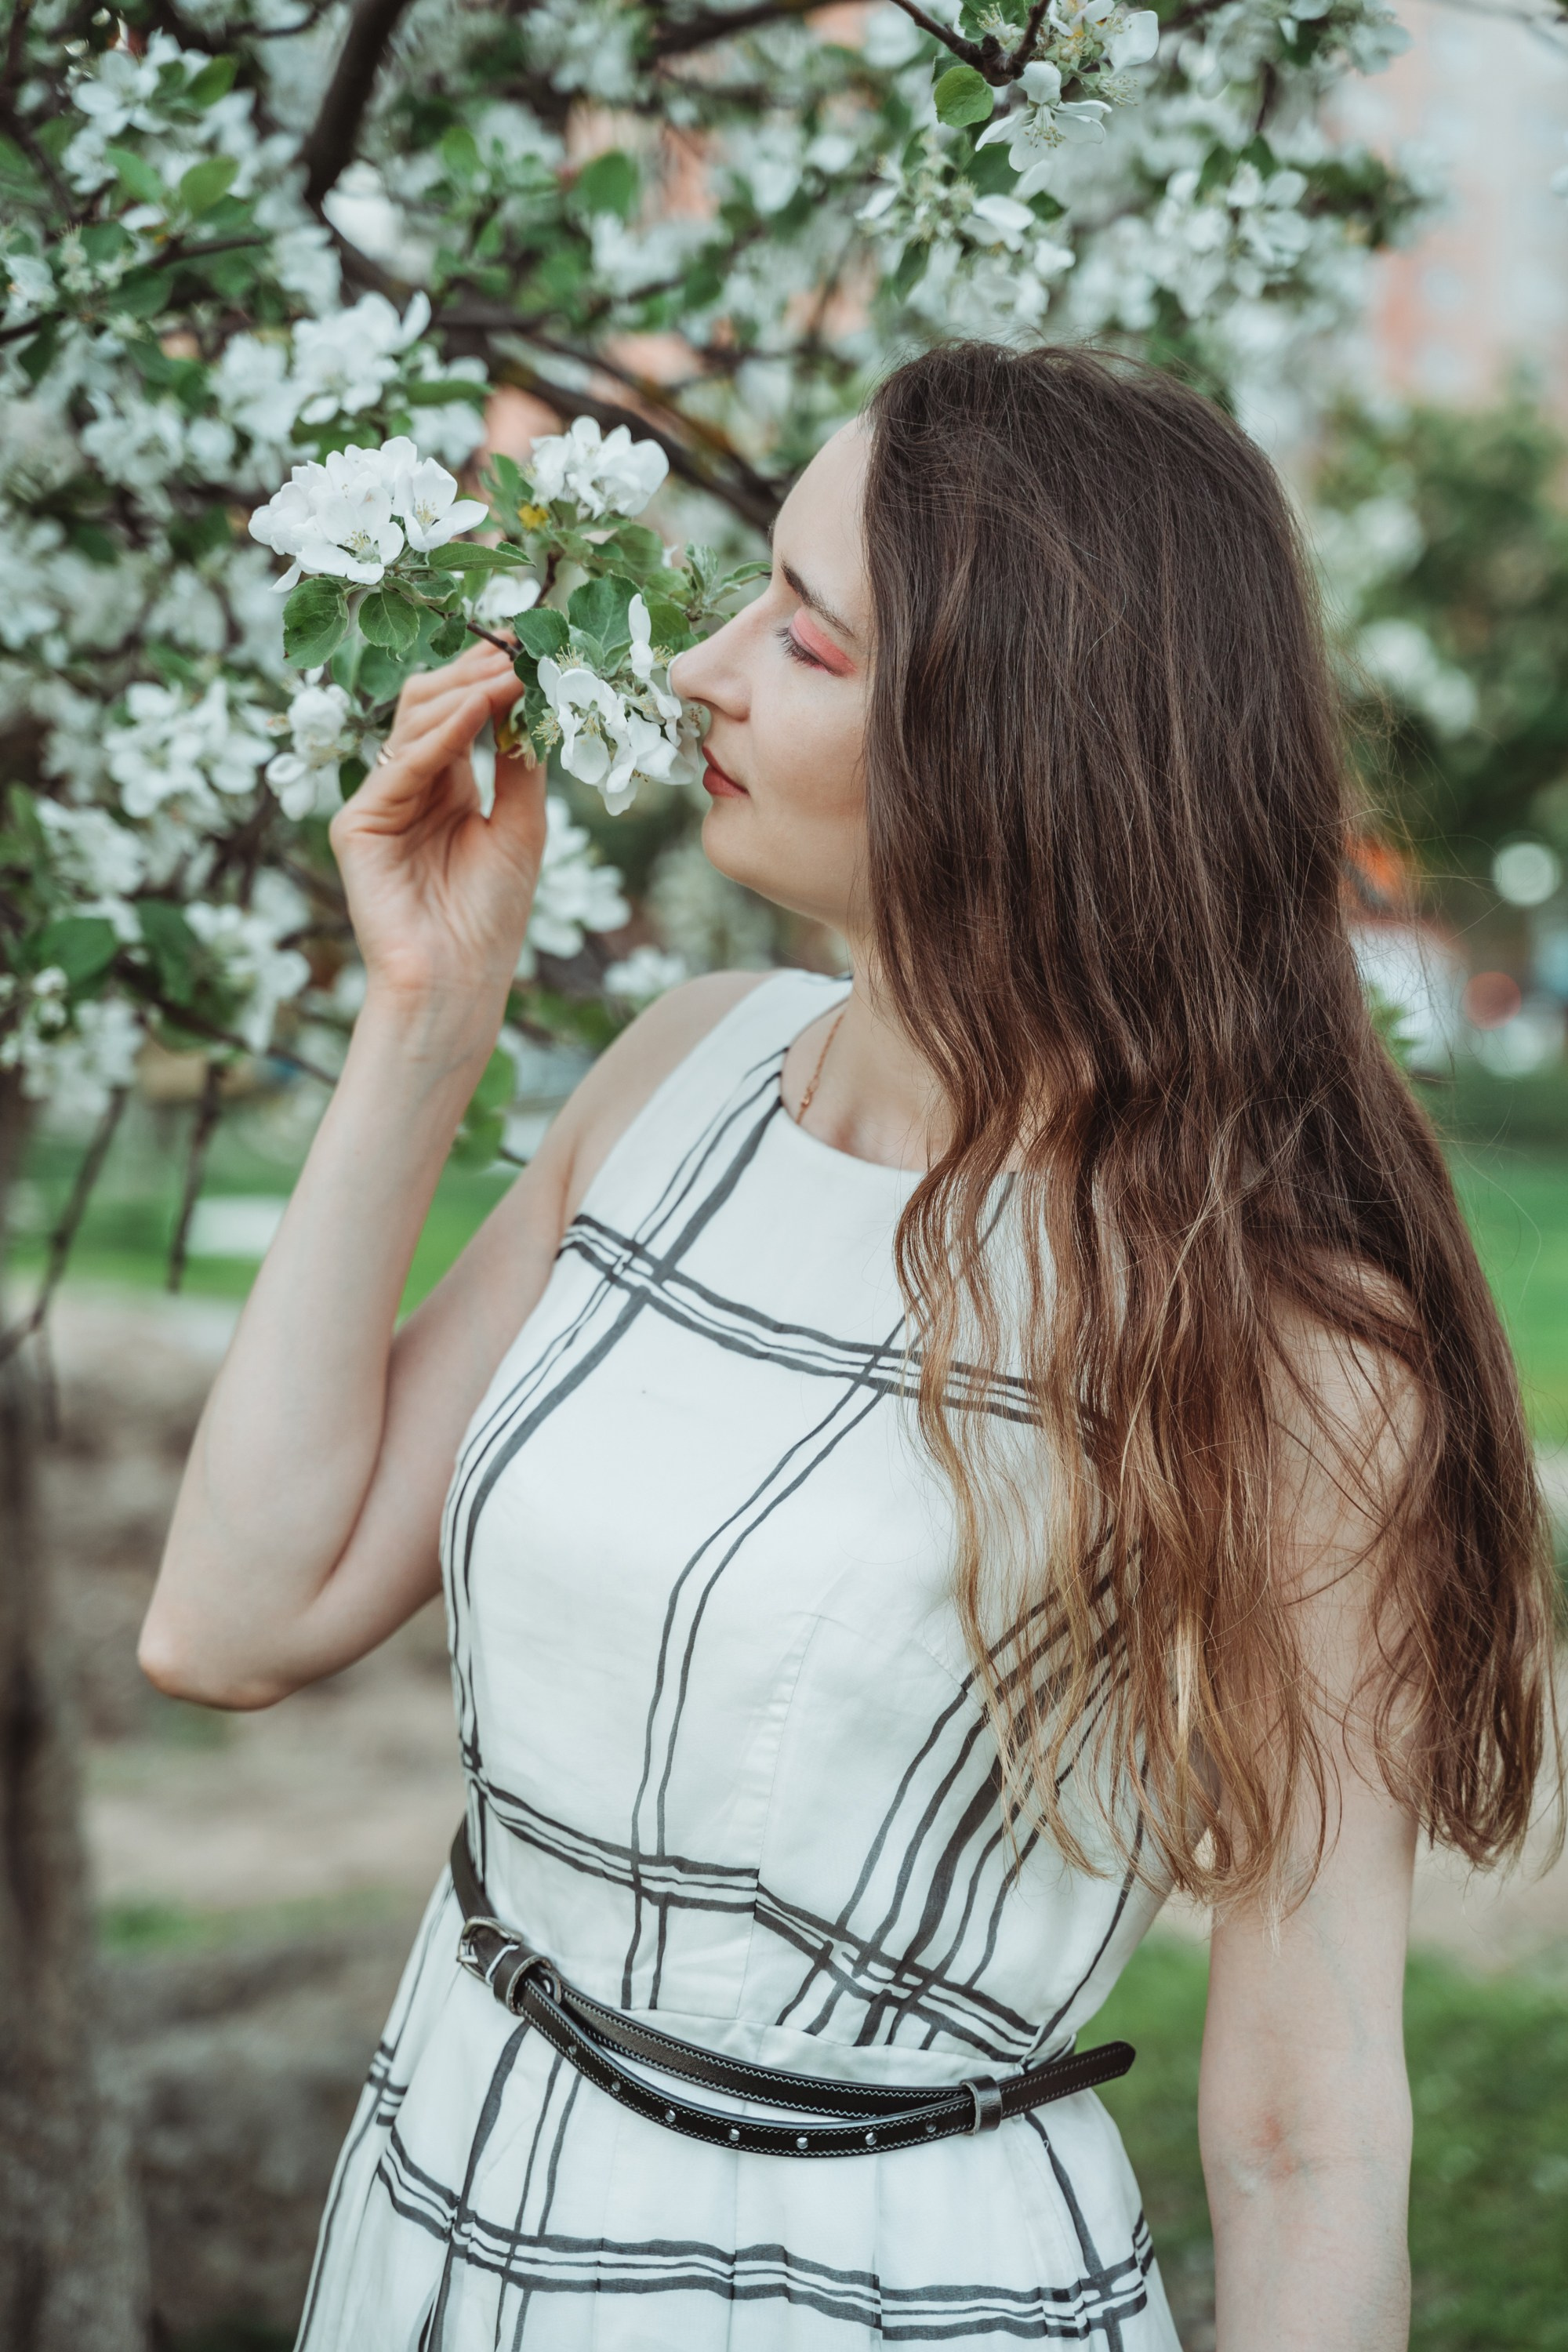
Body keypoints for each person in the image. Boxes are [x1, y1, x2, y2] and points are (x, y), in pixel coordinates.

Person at [140, 343, 1559, 2352]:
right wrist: (423, 1020)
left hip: (875, 2288)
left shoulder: (1294, 1349)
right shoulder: (672, 1080)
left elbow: (1308, 2137)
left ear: (1012, 743)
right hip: (451, 2187)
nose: (705, 671)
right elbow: (229, 1622)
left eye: (803, 640)